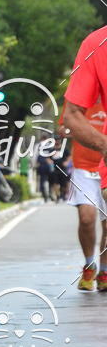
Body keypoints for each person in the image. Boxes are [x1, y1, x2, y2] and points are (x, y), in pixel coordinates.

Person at [60, 99, 107, 291]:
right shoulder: (78, 95)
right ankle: (89, 266)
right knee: (86, 218)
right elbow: (64, 127)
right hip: (83, 168)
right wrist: (68, 131)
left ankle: (104, 270)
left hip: (105, 166)